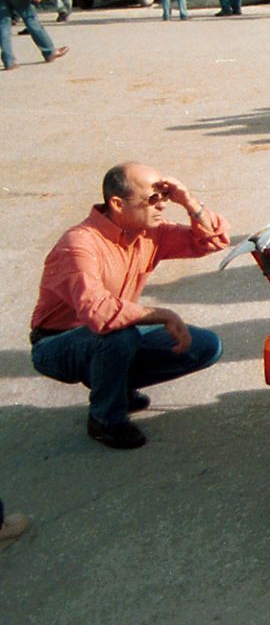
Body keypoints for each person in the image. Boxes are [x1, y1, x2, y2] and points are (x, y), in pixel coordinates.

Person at [30, 163, 229, 449]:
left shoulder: (150, 233)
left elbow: (212, 241)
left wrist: (187, 199)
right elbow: (98, 313)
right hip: (57, 344)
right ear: (117, 204)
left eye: (164, 197)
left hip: (110, 332)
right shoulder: (78, 244)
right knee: (116, 336)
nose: (162, 206)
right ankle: (105, 419)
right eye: (152, 199)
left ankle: (116, 384)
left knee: (206, 346)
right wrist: (161, 314)